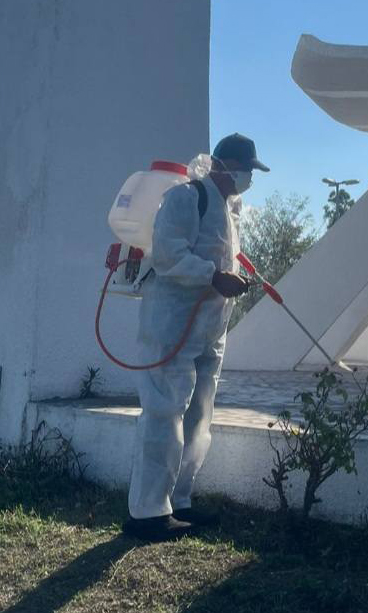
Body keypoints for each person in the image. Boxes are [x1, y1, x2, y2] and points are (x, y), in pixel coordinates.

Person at [123, 133, 269, 541]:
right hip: (171, 324)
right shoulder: (186, 198)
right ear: (223, 166)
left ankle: (178, 501)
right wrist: (214, 277)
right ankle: (146, 513)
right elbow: (169, 254)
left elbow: (220, 256)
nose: (248, 178)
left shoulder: (227, 208)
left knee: (198, 415)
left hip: (208, 328)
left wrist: (229, 279)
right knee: (164, 411)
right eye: (245, 169)